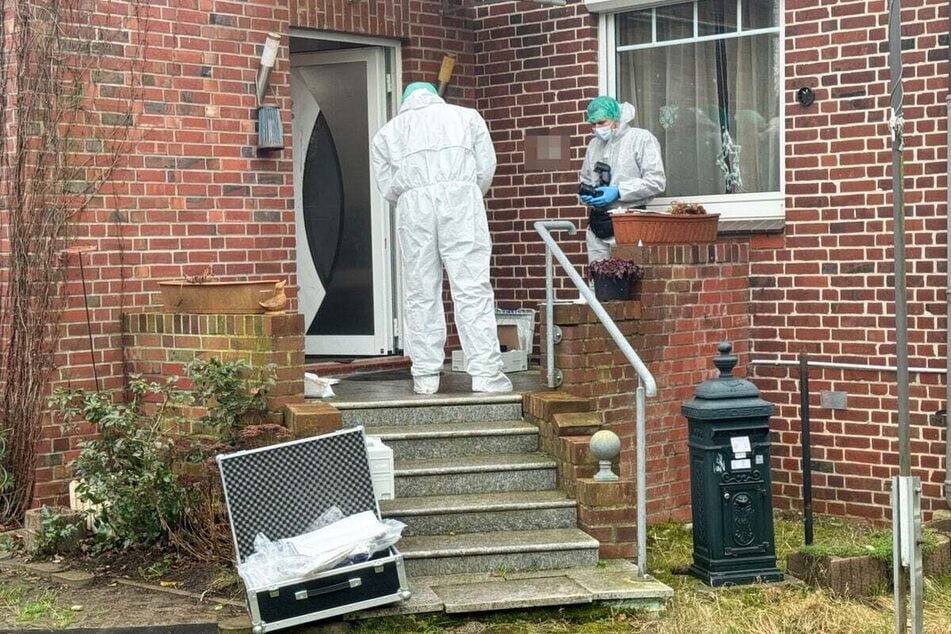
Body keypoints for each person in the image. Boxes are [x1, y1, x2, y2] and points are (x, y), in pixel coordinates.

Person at [371, 82, 512, 395]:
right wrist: (466, 190)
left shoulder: (387, 133)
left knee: (420, 290)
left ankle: (425, 376)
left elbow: (387, 187)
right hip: (461, 199)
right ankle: (487, 375)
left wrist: (413, 193)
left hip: (414, 206)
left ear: (406, 101)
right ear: (436, 95)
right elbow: (486, 167)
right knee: (472, 287)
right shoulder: (467, 117)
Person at [579, 95, 666, 263]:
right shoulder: (594, 145)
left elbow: (656, 181)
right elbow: (586, 178)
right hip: (598, 223)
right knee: (599, 281)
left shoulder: (640, 139)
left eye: (602, 122)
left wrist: (619, 191)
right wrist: (586, 194)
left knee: (627, 279)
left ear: (616, 118)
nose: (597, 128)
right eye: (593, 124)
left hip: (629, 222)